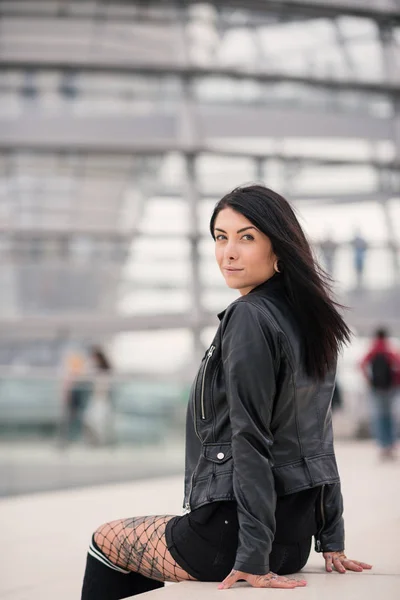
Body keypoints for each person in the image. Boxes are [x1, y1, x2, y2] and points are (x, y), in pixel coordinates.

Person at [81, 185, 372, 599]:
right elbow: (316, 437)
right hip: (290, 540)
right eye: (221, 237)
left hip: (234, 538)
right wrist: (331, 536)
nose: (228, 252)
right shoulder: (311, 319)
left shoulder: (249, 316)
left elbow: (249, 438)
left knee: (105, 540)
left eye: (246, 237)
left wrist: (252, 556)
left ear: (280, 249)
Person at [360, 327, 400, 460]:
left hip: (376, 389)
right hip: (390, 389)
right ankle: (391, 444)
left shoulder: (373, 349)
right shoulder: (389, 349)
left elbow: (362, 365)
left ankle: (382, 445)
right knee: (390, 416)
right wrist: (394, 382)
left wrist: (369, 381)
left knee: (379, 416)